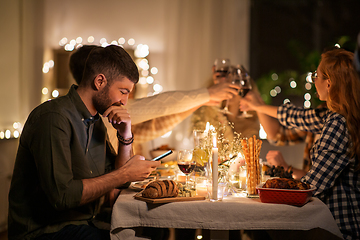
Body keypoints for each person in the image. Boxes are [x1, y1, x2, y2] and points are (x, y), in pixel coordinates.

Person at [8, 45, 161, 240]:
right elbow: (62, 197)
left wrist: (125, 135)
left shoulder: (97, 123)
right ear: (99, 81)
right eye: (123, 91)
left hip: (86, 222)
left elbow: (118, 180)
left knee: (153, 228)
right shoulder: (53, 118)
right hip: (46, 231)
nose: (125, 101)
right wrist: (124, 173)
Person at [241, 48, 360, 240]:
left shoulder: (338, 123)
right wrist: (257, 106)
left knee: (265, 227)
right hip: (325, 222)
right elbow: (295, 117)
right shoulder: (332, 115)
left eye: (316, 75)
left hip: (339, 229)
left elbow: (312, 186)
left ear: (328, 83)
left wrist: (270, 189)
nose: (314, 80)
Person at [69, 45, 240, 155]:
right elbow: (158, 105)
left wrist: (202, 100)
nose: (125, 100)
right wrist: (207, 94)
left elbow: (152, 128)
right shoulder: (98, 113)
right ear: (97, 76)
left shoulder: (110, 113)